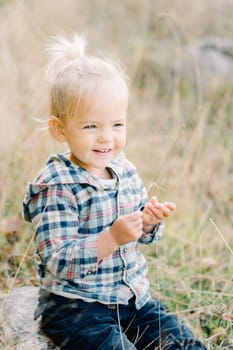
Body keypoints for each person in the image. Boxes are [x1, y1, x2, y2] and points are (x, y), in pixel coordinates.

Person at [22, 34, 207, 350]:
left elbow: (141, 236)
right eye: (91, 126)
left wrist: (147, 222)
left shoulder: (124, 169)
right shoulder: (55, 184)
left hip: (132, 300)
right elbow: (57, 258)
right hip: (75, 308)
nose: (106, 137)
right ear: (60, 129)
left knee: (182, 342)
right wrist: (110, 239)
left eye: (117, 125)